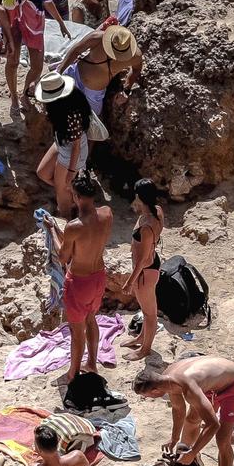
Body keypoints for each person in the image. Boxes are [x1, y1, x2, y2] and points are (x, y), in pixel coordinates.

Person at [134, 356, 234, 466]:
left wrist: (194, 452)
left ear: (155, 391)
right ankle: (187, 456)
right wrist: (174, 438)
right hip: (211, 385)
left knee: (222, 438)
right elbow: (178, 409)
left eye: (146, 396)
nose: (146, 398)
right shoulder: (166, 379)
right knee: (191, 420)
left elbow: (213, 424)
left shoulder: (187, 386)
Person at [49, 172, 112, 381]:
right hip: (99, 277)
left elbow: (62, 257)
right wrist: (61, 233)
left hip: (79, 282)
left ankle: (73, 373)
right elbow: (85, 242)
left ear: (76, 196)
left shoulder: (74, 226)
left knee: (77, 331)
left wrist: (51, 232)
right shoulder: (107, 214)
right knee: (91, 318)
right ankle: (92, 363)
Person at [58, 23, 140, 129]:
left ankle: (84, 144)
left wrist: (126, 89)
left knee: (92, 126)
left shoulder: (135, 56)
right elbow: (76, 50)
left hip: (94, 93)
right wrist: (59, 70)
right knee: (59, 110)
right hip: (74, 75)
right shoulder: (96, 38)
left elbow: (136, 70)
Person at [7, 0, 69, 102]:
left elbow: (48, 3)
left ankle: (25, 95)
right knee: (13, 62)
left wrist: (61, 23)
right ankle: (13, 96)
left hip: (34, 26)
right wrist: (7, 38)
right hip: (14, 25)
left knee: (37, 66)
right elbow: (6, 15)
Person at [34, 73, 93, 214]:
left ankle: (66, 219)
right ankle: (72, 194)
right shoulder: (66, 104)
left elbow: (76, 147)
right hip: (63, 142)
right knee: (42, 173)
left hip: (71, 151)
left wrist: (71, 173)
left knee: (61, 194)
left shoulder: (71, 114)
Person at [123, 179, 164, 359]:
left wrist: (129, 282)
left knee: (150, 313)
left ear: (139, 196)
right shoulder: (158, 212)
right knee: (146, 310)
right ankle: (141, 338)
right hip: (149, 267)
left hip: (144, 273)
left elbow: (142, 259)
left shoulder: (146, 227)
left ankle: (145, 349)